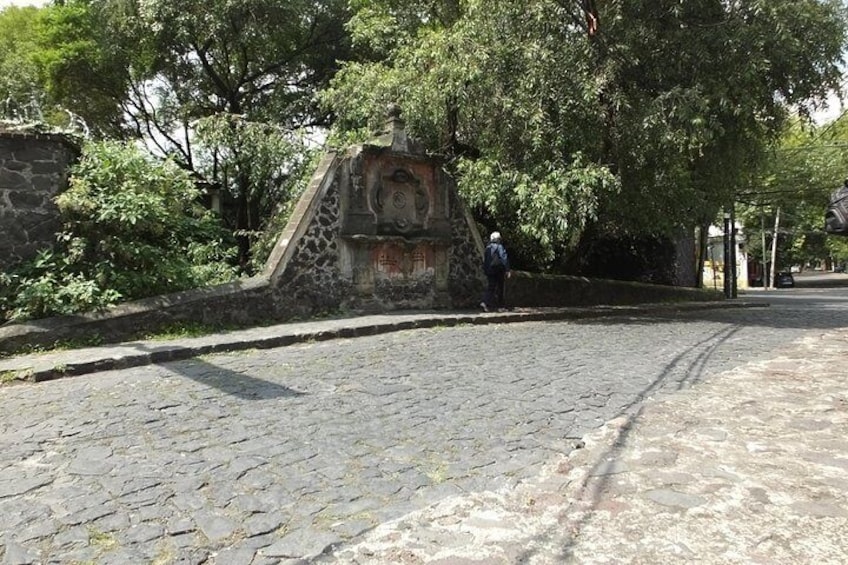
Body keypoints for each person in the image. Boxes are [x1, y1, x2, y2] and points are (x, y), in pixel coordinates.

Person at [481, 231, 511, 312]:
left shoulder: (488, 248)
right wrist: (507, 269)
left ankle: (485, 302)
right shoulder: (499, 247)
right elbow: (503, 257)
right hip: (498, 270)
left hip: (489, 271)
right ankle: (500, 306)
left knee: (491, 287)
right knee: (500, 288)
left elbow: (485, 261)